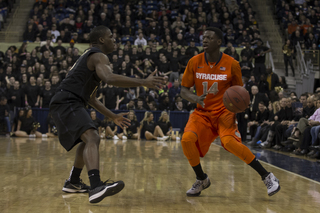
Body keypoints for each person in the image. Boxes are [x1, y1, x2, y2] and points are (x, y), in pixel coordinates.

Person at [49, 26, 166, 204]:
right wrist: (143, 82)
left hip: (68, 102)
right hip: (67, 101)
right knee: (93, 138)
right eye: (111, 37)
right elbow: (109, 78)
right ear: (102, 40)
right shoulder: (98, 55)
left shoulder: (90, 57)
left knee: (87, 140)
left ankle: (73, 182)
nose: (114, 40)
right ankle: (96, 186)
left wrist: (112, 116)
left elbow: (92, 99)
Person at [180, 27, 280, 197]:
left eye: (209, 38)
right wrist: (195, 98)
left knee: (229, 142)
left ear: (219, 42)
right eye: (203, 37)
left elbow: (238, 91)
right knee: (187, 139)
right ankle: (201, 179)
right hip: (202, 113)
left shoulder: (232, 64)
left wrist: (239, 106)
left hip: (224, 113)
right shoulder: (194, 61)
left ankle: (267, 176)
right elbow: (183, 90)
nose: (204, 40)